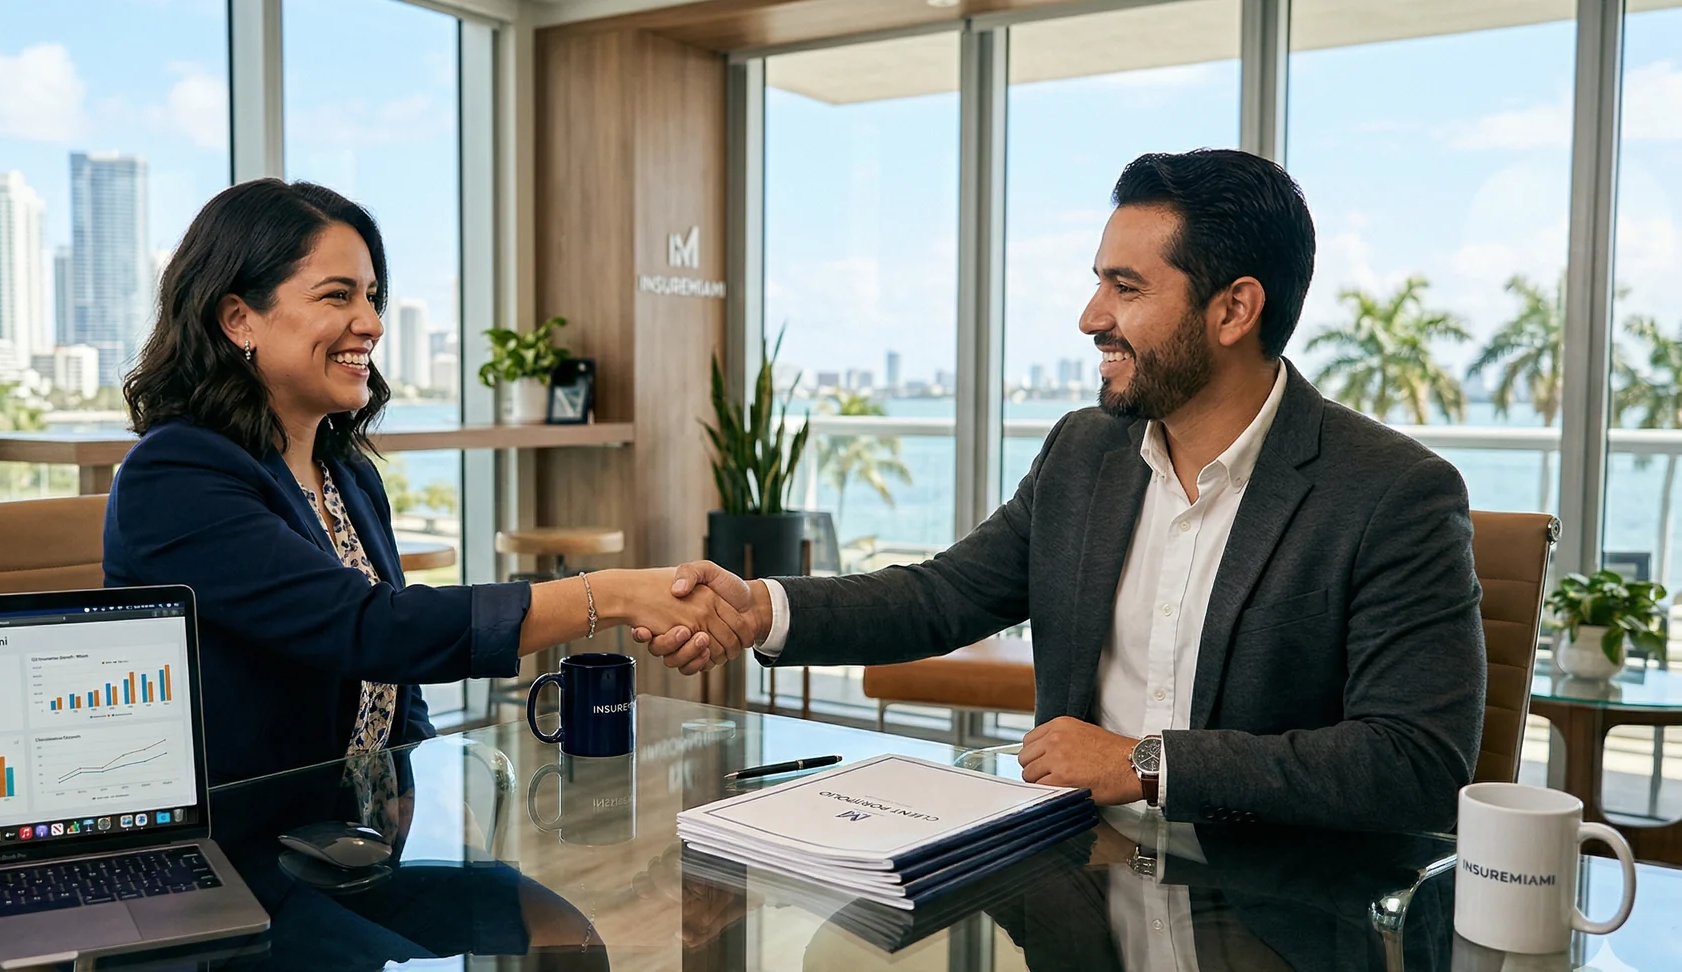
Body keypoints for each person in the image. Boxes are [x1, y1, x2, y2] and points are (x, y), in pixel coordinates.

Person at [636, 149, 1486, 833]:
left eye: (1126, 288)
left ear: (1234, 311)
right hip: (1075, 879)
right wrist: (759, 612)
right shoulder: (1086, 452)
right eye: (1098, 282)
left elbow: (1412, 763)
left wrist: (1146, 764)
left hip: (1279, 908)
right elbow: (944, 595)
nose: (1090, 317)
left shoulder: (1394, 494)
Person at [105, 179, 743, 785]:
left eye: (371, 298)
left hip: (370, 837)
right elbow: (376, 630)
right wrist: (613, 593)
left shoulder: (346, 474)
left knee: (555, 906)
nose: (372, 323)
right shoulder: (174, 476)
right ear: (238, 318)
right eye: (337, 295)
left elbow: (396, 688)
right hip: (250, 858)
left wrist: (418, 803)